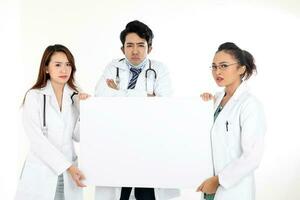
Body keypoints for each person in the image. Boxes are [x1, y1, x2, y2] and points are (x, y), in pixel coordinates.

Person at [94, 20, 179, 200]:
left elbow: (165, 105)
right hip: (119, 140)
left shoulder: (160, 69)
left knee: (147, 193)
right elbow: (101, 97)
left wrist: (119, 93)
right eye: (129, 45)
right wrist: (146, 97)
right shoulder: (112, 67)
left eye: (141, 45)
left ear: (150, 48)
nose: (135, 51)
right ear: (122, 49)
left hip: (150, 142)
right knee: (121, 192)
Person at [15, 44, 88, 200]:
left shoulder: (75, 96)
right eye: (58, 65)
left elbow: (78, 136)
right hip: (42, 172)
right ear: (46, 68)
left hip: (69, 175)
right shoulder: (34, 96)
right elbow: (36, 140)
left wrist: (85, 111)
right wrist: (68, 167)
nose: (64, 70)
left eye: (68, 65)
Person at [197, 42, 266, 200]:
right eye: (214, 67)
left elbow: (253, 156)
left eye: (224, 66)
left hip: (232, 188)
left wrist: (219, 180)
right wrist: (201, 109)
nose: (217, 72)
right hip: (210, 186)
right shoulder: (215, 100)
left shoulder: (249, 105)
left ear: (241, 69)